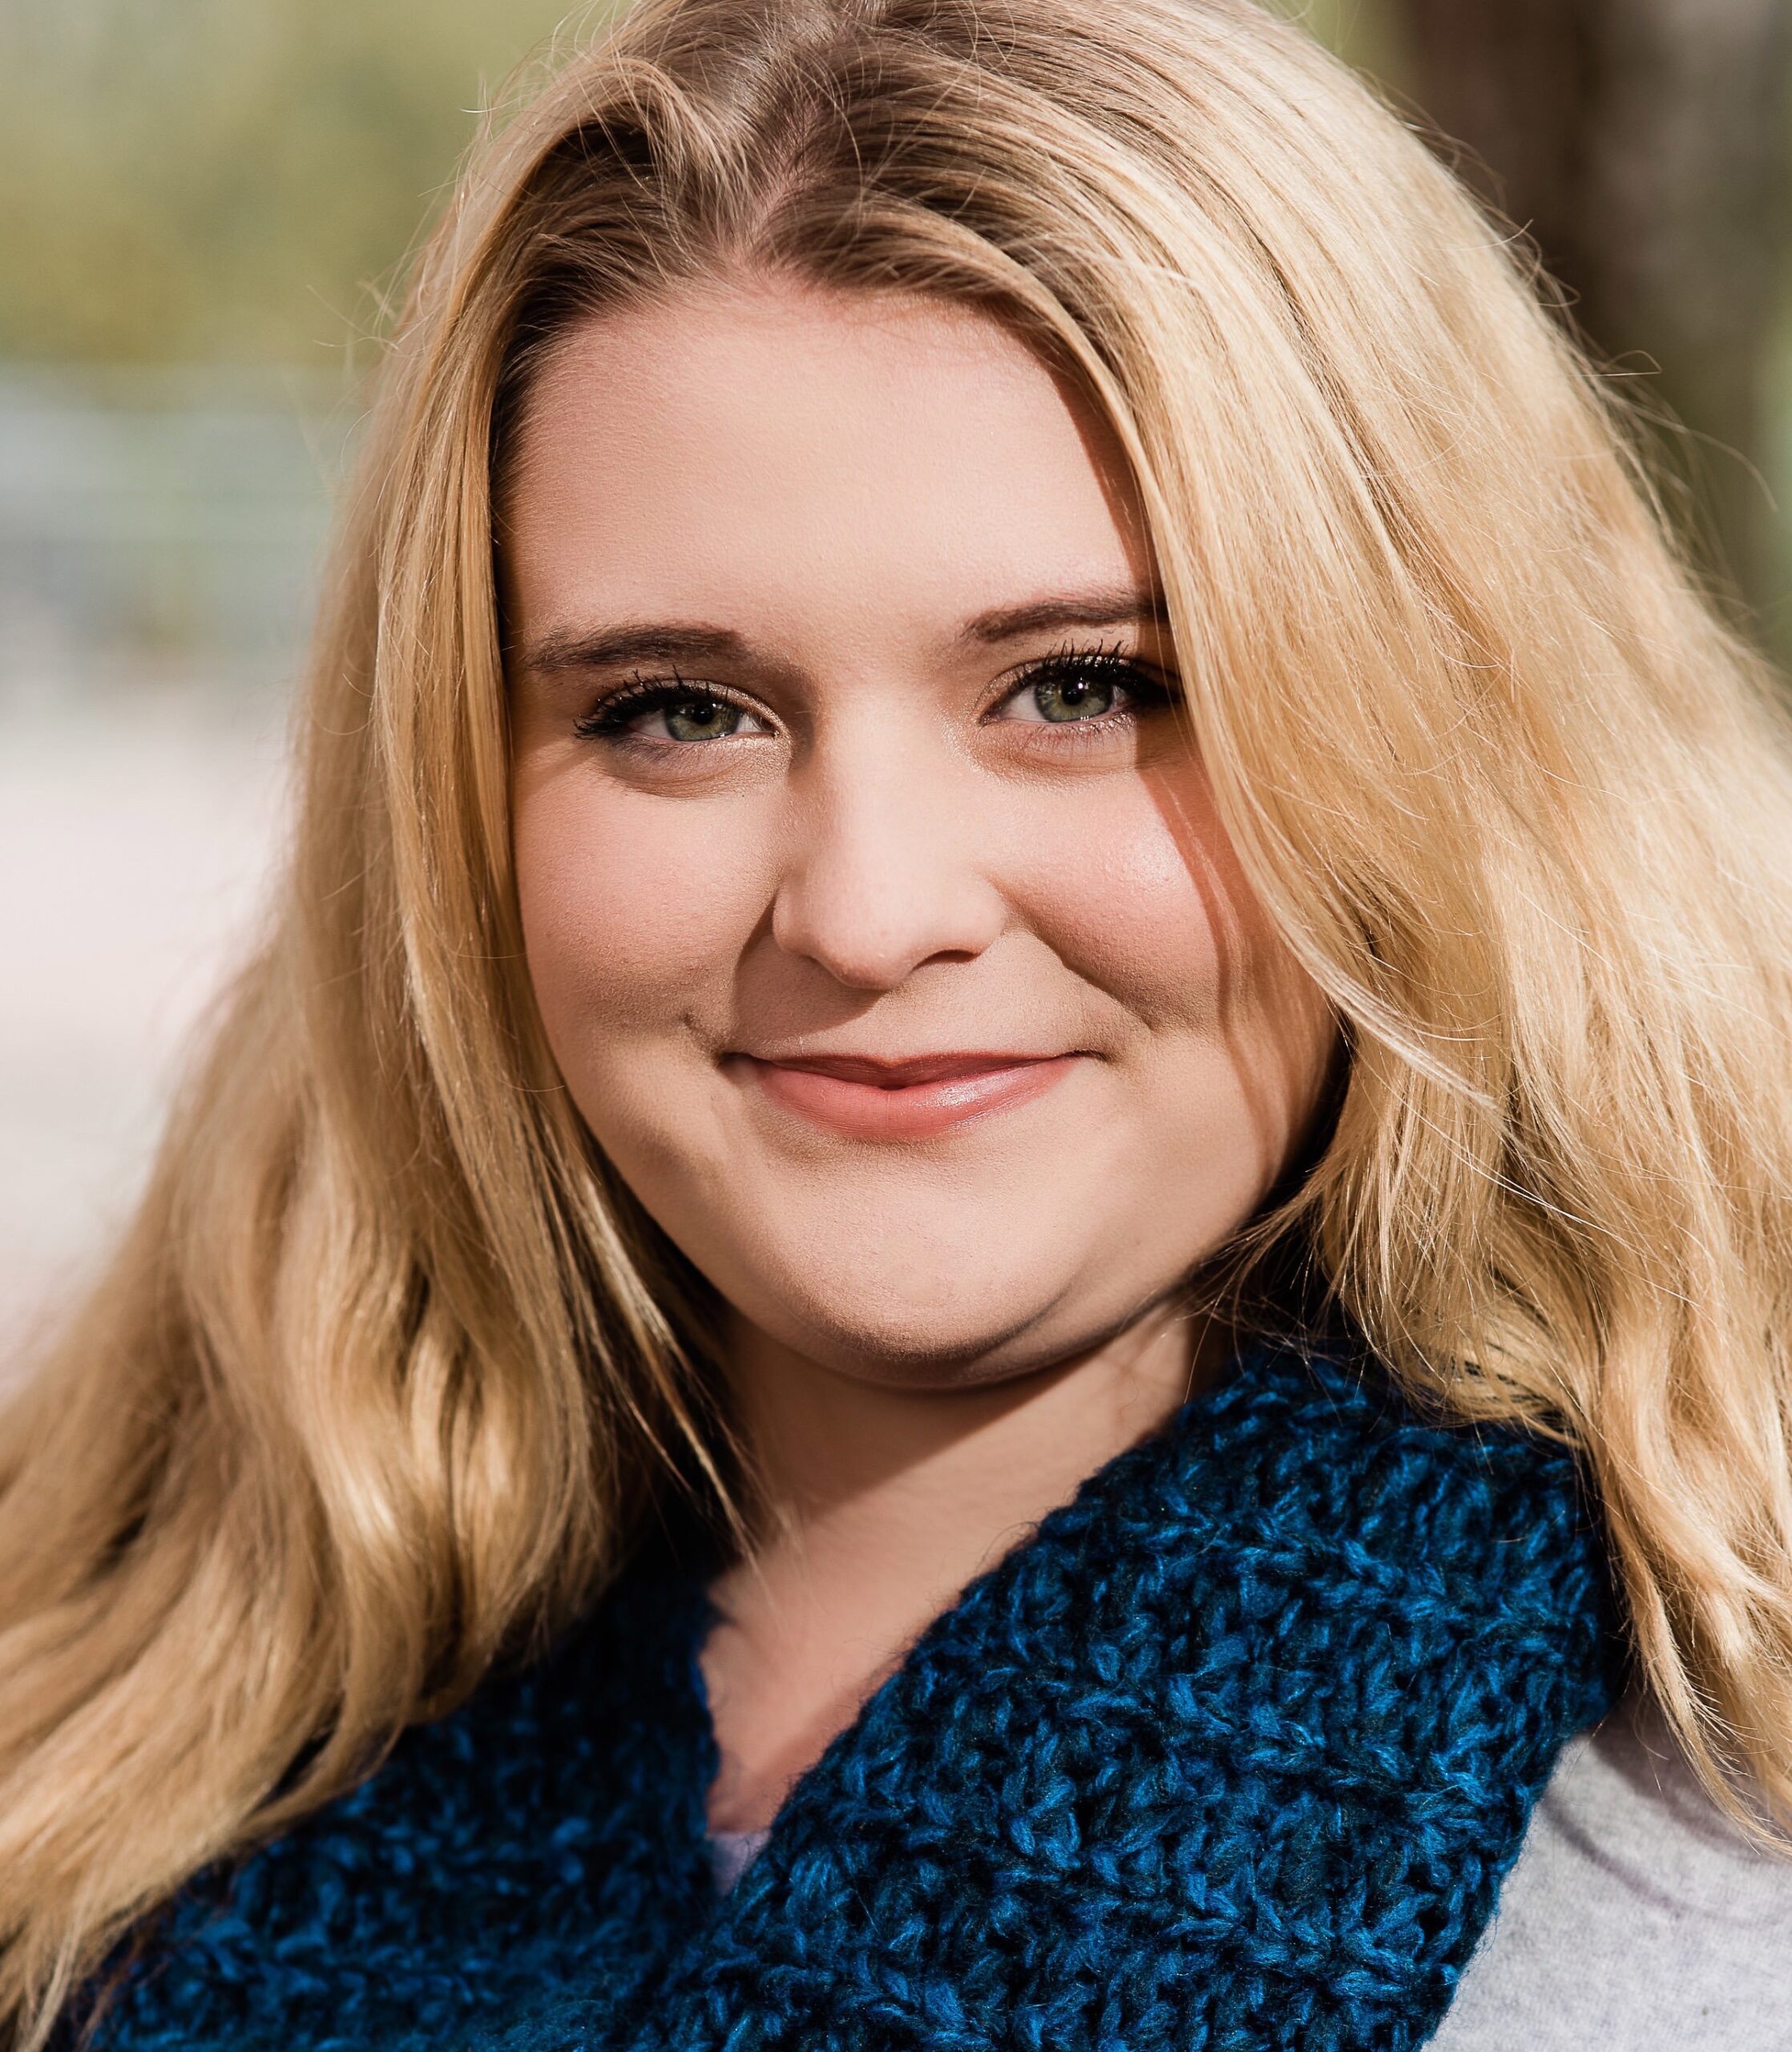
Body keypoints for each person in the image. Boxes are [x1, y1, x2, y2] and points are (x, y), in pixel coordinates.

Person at [7, 0, 1792, 2046]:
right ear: (457, 807)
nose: (863, 910)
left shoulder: (1716, 1891)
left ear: (1451, 735)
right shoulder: (83, 1788)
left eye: (1082, 686)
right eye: (677, 709)